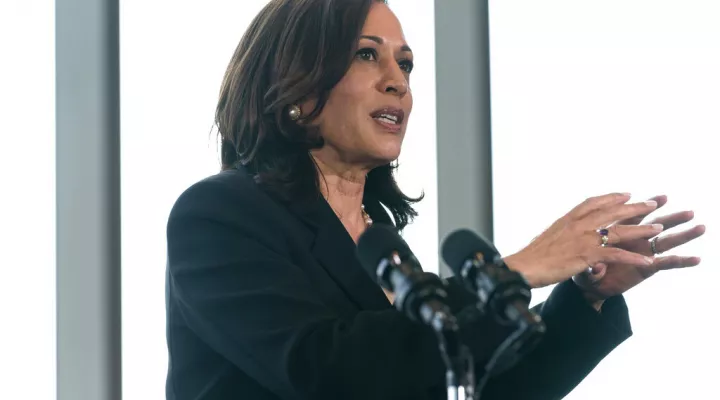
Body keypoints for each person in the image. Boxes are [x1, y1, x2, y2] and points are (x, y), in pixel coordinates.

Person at [164, 0, 706, 399]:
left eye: (405, 64)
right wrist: (517, 269)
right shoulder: (217, 216)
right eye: (366, 55)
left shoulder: (379, 241)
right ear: (297, 86)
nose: (397, 82)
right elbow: (324, 369)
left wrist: (586, 296)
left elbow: (465, 386)